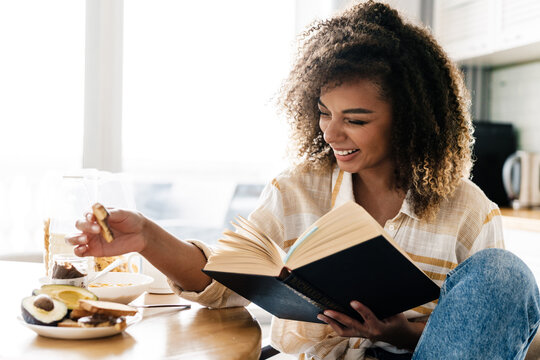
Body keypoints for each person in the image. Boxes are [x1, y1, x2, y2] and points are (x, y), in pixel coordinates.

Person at [67, 1, 540, 359]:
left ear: (411, 119)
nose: (331, 133)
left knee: (505, 275)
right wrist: (147, 237)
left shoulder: (468, 211)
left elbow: (486, 335)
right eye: (323, 113)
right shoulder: (297, 190)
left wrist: (393, 330)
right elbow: (222, 282)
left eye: (355, 119)